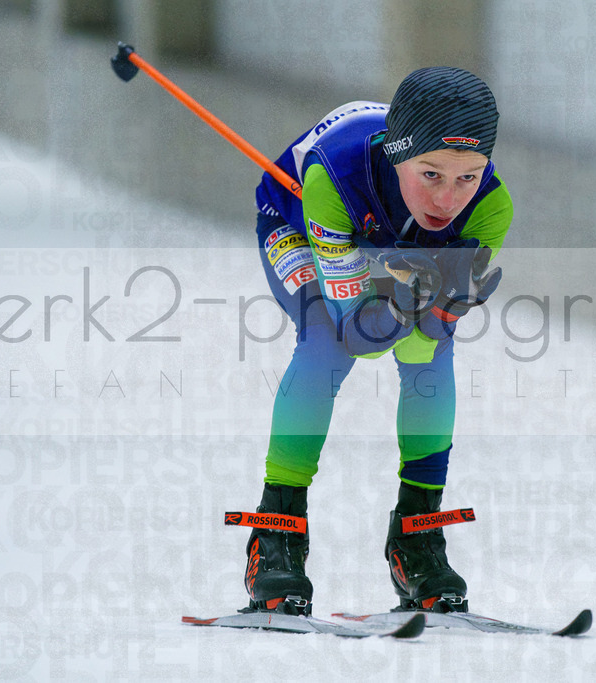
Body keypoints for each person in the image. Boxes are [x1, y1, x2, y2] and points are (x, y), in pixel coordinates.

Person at [244, 66, 513, 615]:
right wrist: (399, 301)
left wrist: (435, 308)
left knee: (431, 354)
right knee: (326, 342)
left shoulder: (490, 209)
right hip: (302, 222)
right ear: (398, 154)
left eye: (469, 176)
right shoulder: (333, 177)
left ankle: (415, 539)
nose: (449, 199)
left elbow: (422, 340)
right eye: (431, 174)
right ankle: (275, 537)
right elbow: (359, 335)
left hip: (385, 240)